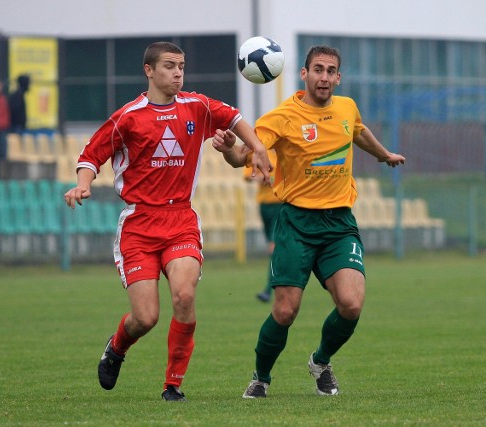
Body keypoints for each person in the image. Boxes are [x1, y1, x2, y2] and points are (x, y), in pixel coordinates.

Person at [63, 41, 271, 402]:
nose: (178, 73)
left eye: (182, 66)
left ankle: (172, 384)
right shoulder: (128, 117)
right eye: (170, 66)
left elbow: (233, 117)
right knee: (145, 318)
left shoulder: (197, 106)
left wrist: (259, 147)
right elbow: (90, 156)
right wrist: (82, 185)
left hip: (181, 220)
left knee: (185, 295)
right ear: (149, 71)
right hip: (139, 225)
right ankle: (116, 348)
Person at [212, 45, 405, 398]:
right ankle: (261, 377)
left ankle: (320, 362)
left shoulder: (346, 107)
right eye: (318, 69)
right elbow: (244, 155)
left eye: (331, 71)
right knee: (285, 311)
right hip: (296, 223)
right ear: (304, 74)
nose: (325, 77)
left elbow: (358, 132)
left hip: (339, 223)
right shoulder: (283, 116)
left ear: (338, 77)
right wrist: (228, 148)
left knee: (351, 304)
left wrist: (384, 154)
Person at [243, 149, 281, 303]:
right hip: (264, 206)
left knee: (273, 246)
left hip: (281, 204)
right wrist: (261, 178)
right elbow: (248, 176)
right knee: (273, 248)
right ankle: (279, 280)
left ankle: (268, 290)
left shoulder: (283, 150)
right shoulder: (259, 152)